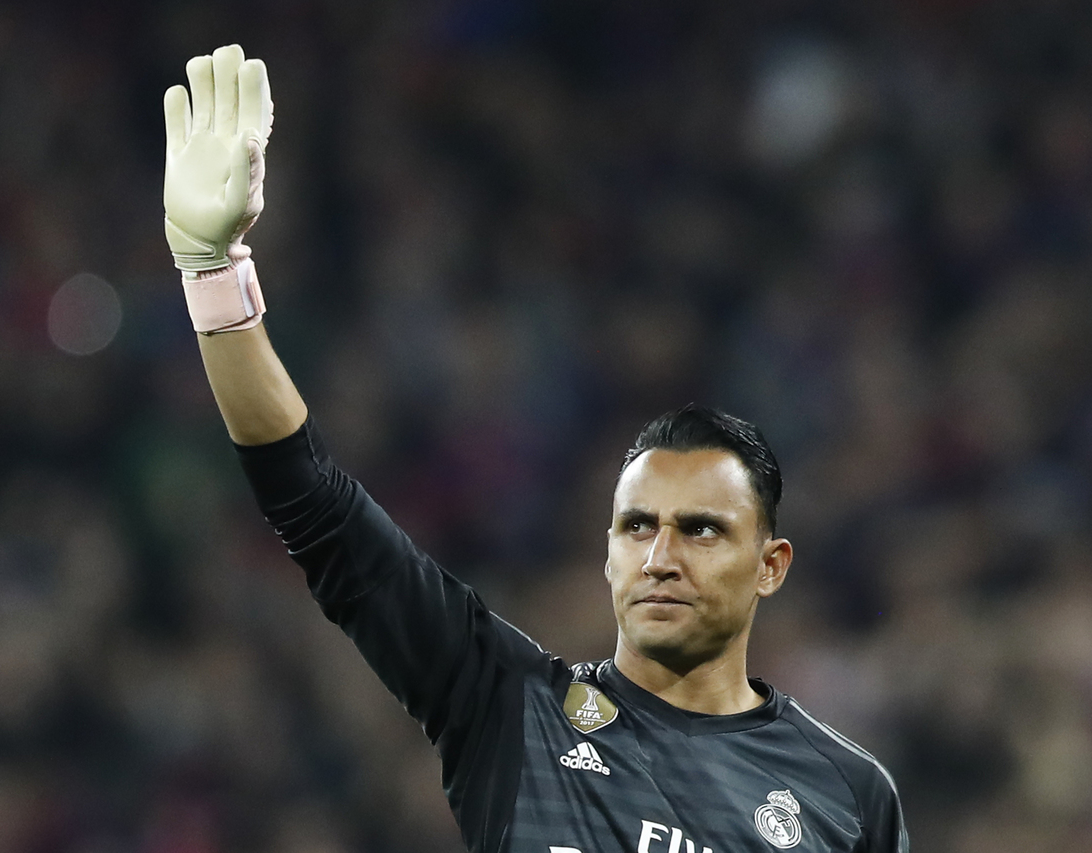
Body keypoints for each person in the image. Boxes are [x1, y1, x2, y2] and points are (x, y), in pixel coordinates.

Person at [162, 44, 909, 853]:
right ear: (609, 555)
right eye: (637, 526)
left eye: (702, 529)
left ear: (771, 563)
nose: (662, 554)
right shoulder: (513, 709)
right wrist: (214, 271)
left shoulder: (847, 794)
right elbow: (311, 501)